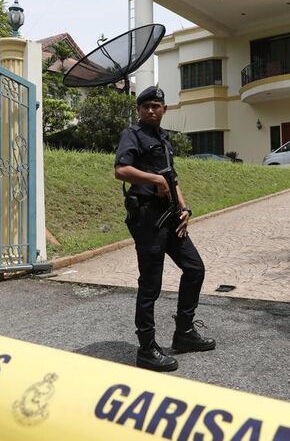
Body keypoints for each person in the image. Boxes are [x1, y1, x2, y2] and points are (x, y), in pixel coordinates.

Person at [114, 86, 215, 372]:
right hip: (147, 218)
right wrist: (154, 180)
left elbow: (173, 179)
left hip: (170, 217)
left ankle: (183, 333)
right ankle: (146, 348)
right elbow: (121, 169)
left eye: (155, 105)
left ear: (164, 109)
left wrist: (183, 208)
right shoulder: (132, 135)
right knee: (151, 283)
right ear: (138, 110)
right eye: (145, 105)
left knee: (194, 268)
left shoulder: (163, 138)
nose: (150, 110)